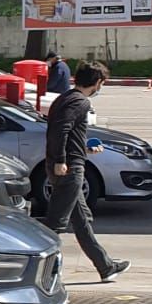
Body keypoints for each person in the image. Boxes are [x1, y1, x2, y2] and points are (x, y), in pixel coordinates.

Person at [43, 61, 127, 283]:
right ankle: (39, 269)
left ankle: (106, 267)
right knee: (55, 223)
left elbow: (64, 132)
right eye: (102, 83)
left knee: (82, 221)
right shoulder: (80, 102)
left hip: (66, 163)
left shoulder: (65, 98)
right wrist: (61, 160)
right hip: (70, 168)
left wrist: (85, 148)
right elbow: (60, 131)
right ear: (97, 82)